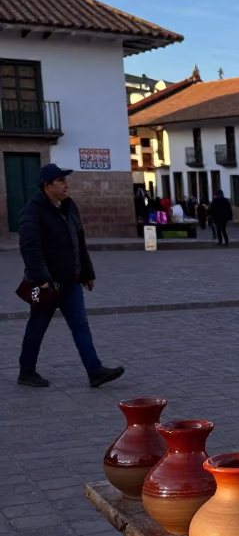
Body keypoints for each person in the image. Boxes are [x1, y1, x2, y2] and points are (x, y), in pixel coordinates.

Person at [17, 164, 125, 389]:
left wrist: (87, 273)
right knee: (37, 327)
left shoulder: (68, 206)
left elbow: (79, 241)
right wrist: (42, 280)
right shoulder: (33, 211)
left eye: (66, 180)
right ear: (47, 186)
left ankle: (95, 371)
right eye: (61, 181)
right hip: (48, 283)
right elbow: (30, 248)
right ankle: (26, 372)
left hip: (71, 281)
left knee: (80, 326)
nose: (67, 185)